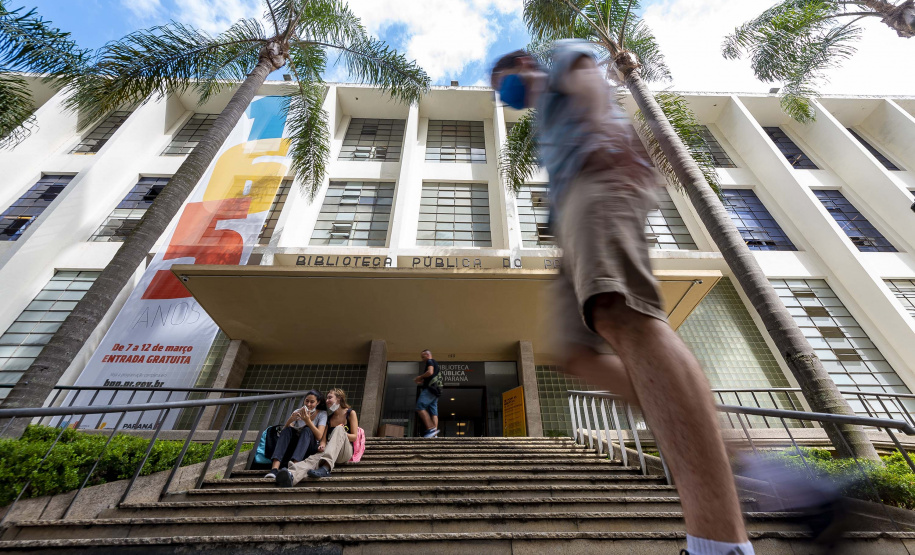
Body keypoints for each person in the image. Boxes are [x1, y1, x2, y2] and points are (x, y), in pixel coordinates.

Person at [491, 43, 753, 555]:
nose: (505, 96)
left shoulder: (560, 60)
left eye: (502, 85)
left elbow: (591, 80)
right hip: (573, 214)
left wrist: (605, 138)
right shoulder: (545, 116)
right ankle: (729, 452)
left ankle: (720, 545)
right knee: (578, 356)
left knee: (622, 313)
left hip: (600, 177)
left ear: (520, 66)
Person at [276, 388, 358, 486]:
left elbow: (354, 437)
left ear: (339, 398)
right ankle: (291, 475)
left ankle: (326, 468)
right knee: (311, 460)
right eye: (326, 398)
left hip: (344, 452)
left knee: (339, 429)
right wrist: (322, 445)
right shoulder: (329, 418)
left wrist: (340, 432)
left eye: (330, 398)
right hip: (330, 451)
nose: (327, 401)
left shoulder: (350, 413)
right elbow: (323, 440)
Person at [264, 390, 327, 479]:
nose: (308, 404)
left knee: (307, 429)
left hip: (310, 446)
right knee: (287, 430)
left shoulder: (322, 414)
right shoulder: (298, 411)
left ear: (318, 402)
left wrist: (308, 421)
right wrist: (291, 419)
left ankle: (293, 469)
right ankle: (274, 469)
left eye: (312, 402)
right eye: (307, 401)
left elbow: (319, 436)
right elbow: (284, 433)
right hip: (295, 445)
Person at [414, 349, 441, 438]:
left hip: (430, 389)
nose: (422, 359)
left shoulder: (430, 361)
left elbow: (430, 372)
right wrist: (423, 380)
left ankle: (431, 429)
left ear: (428, 355)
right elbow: (432, 376)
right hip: (436, 390)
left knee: (420, 407)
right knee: (434, 413)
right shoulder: (436, 364)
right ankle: (435, 435)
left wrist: (420, 377)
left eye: (423, 356)